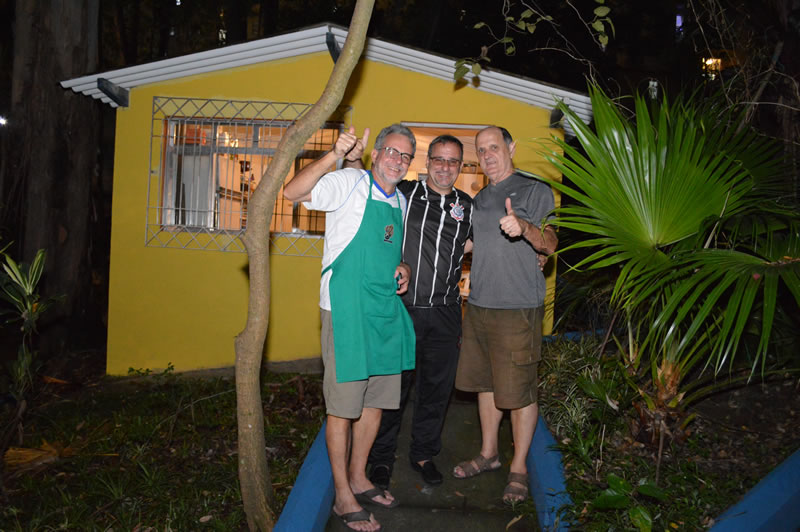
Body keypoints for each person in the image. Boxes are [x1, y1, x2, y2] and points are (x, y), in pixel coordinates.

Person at [283, 124, 417, 532]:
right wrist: (333, 153)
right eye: (391, 151)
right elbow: (292, 193)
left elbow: (390, 250)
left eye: (405, 156)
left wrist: (403, 267)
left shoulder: (400, 201)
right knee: (342, 408)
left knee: (375, 402)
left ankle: (359, 476)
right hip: (346, 312)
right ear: (376, 153)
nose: (397, 160)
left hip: (383, 311)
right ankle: (343, 496)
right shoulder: (348, 182)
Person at [452, 126, 558, 505]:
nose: (488, 156)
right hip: (480, 304)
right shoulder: (480, 199)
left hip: (518, 308)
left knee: (519, 391)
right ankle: (489, 453)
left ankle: (519, 468)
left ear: (511, 148)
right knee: (486, 384)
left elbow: (550, 243)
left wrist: (525, 228)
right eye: (481, 150)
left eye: (494, 147)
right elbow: (473, 244)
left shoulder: (534, 190)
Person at [364, 135, 474, 488]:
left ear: (460, 166)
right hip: (403, 309)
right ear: (427, 162)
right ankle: (381, 458)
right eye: (439, 159)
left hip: (445, 313)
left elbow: (485, 242)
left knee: (436, 391)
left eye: (453, 161)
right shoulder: (404, 193)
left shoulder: (467, 206)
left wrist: (536, 254)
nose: (445, 167)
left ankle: (424, 454)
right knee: (391, 389)